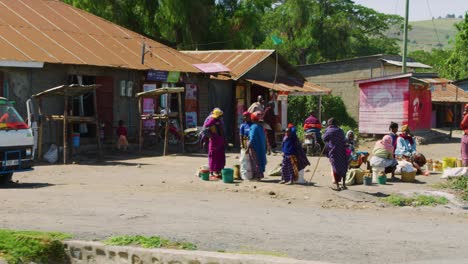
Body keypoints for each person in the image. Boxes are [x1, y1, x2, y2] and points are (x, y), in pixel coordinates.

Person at [322, 118, 348, 191]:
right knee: (343, 166)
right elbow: (344, 139)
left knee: (335, 167)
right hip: (342, 151)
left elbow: (324, 138)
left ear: (330, 124)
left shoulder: (329, 130)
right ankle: (344, 184)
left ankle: (337, 186)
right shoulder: (340, 130)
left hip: (334, 151)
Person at [204, 108, 226, 180]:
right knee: (213, 157)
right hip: (214, 142)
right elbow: (205, 130)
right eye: (220, 115)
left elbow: (222, 131)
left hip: (221, 141)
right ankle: (212, 171)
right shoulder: (211, 121)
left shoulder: (220, 121)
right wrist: (211, 137)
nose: (221, 117)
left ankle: (219, 170)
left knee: (220, 156)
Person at [245, 111, 267, 180]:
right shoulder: (260, 127)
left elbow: (251, 139)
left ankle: (257, 176)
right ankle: (260, 175)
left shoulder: (253, 127)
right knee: (260, 160)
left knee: (255, 161)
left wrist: (247, 148)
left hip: (254, 147)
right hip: (261, 147)